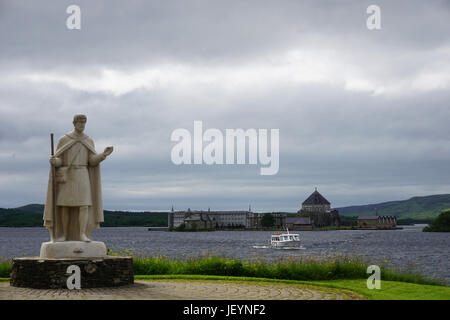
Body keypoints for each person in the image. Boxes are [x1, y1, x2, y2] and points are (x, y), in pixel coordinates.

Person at [43, 114, 113, 242]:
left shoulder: (88, 140)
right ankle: (63, 234)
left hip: (82, 174)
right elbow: (60, 160)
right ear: (74, 123)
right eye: (80, 123)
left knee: (84, 205)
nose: (82, 125)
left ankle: (82, 234)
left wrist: (103, 155)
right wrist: (54, 161)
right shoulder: (64, 139)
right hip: (68, 175)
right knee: (65, 205)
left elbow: (91, 161)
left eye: (84, 123)